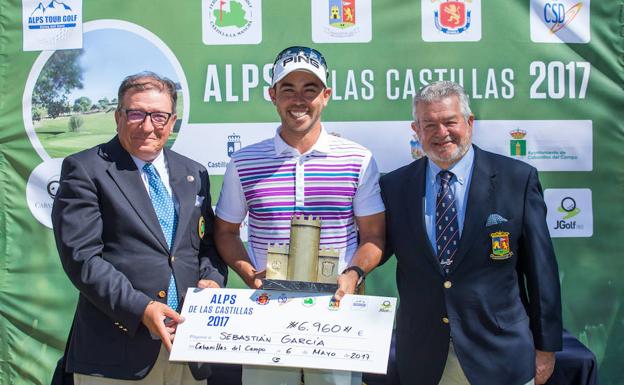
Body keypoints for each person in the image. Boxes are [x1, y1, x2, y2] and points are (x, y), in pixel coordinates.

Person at [214, 46, 385, 385]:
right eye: (288, 89)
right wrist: (249, 273)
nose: (299, 99)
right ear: (273, 95)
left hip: (336, 314)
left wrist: (352, 275)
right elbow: (226, 233)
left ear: (326, 96)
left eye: (310, 89)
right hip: (266, 313)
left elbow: (374, 236)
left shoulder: (358, 158)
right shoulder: (244, 162)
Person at [380, 81, 563, 385]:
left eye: (450, 122)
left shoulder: (517, 180)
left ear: (469, 122)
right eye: (430, 125)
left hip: (502, 357)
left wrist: (546, 347)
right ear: (416, 129)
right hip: (424, 359)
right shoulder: (394, 187)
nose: (441, 133)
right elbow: (372, 247)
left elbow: (541, 271)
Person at [52, 72, 227, 384]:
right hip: (116, 354)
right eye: (136, 113)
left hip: (188, 349)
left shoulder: (195, 173)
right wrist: (142, 309)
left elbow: (208, 247)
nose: (148, 126)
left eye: (159, 116)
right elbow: (83, 259)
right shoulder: (85, 169)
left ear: (172, 121)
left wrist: (212, 282)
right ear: (118, 116)